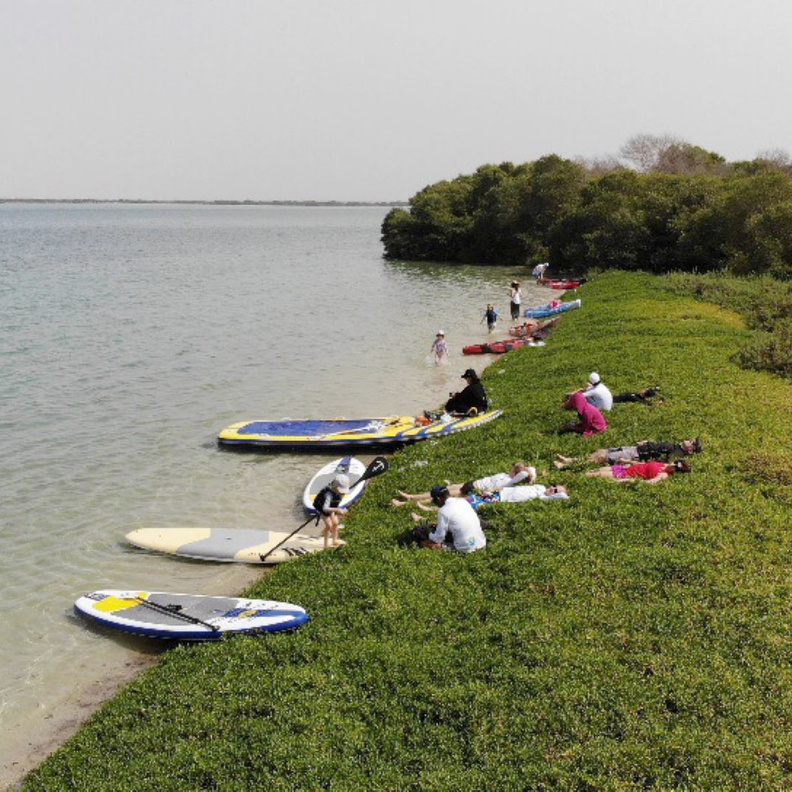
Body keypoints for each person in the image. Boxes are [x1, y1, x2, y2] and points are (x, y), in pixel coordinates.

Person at [395, 462, 537, 502]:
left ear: (517, 473)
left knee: (443, 495)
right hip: (472, 482)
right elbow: (529, 469)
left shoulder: (509, 482)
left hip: (473, 489)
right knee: (445, 488)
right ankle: (411, 496)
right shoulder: (506, 475)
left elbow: (528, 472)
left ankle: (407, 502)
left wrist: (528, 474)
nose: (511, 468)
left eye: (514, 468)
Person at [396, 483, 569, 512]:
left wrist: (560, 493)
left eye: (555, 491)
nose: (552, 489)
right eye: (554, 487)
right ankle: (414, 504)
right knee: (463, 501)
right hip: (496, 493)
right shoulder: (539, 488)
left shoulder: (543, 498)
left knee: (463, 508)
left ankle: (428, 510)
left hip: (498, 501)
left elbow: (564, 498)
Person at [554, 438, 702, 469]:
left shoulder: (677, 455)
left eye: (692, 443)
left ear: (691, 450)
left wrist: (632, 463)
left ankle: (567, 466)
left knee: (601, 457)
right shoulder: (676, 448)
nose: (689, 440)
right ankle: (571, 460)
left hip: (634, 456)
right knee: (602, 452)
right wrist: (647, 442)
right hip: (635, 449)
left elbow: (659, 463)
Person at [419, 485, 486, 553]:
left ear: (438, 499)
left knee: (425, 543)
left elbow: (438, 538)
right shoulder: (463, 501)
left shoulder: (443, 511)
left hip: (466, 548)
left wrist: (429, 533)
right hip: (482, 543)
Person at [314, 473, 349, 549]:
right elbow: (325, 509)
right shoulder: (328, 495)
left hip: (332, 508)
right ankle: (326, 545)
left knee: (336, 523)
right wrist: (337, 510)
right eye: (341, 490)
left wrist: (339, 510)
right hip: (324, 510)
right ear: (335, 487)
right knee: (329, 526)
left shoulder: (339, 494)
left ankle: (335, 540)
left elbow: (335, 504)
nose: (342, 493)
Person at [585, 459, 691, 484]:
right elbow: (643, 464)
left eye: (675, 467)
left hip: (625, 475)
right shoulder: (663, 464)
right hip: (625, 468)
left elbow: (649, 483)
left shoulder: (664, 475)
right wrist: (628, 461)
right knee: (595, 470)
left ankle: (573, 477)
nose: (672, 465)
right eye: (675, 463)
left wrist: (628, 481)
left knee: (595, 475)